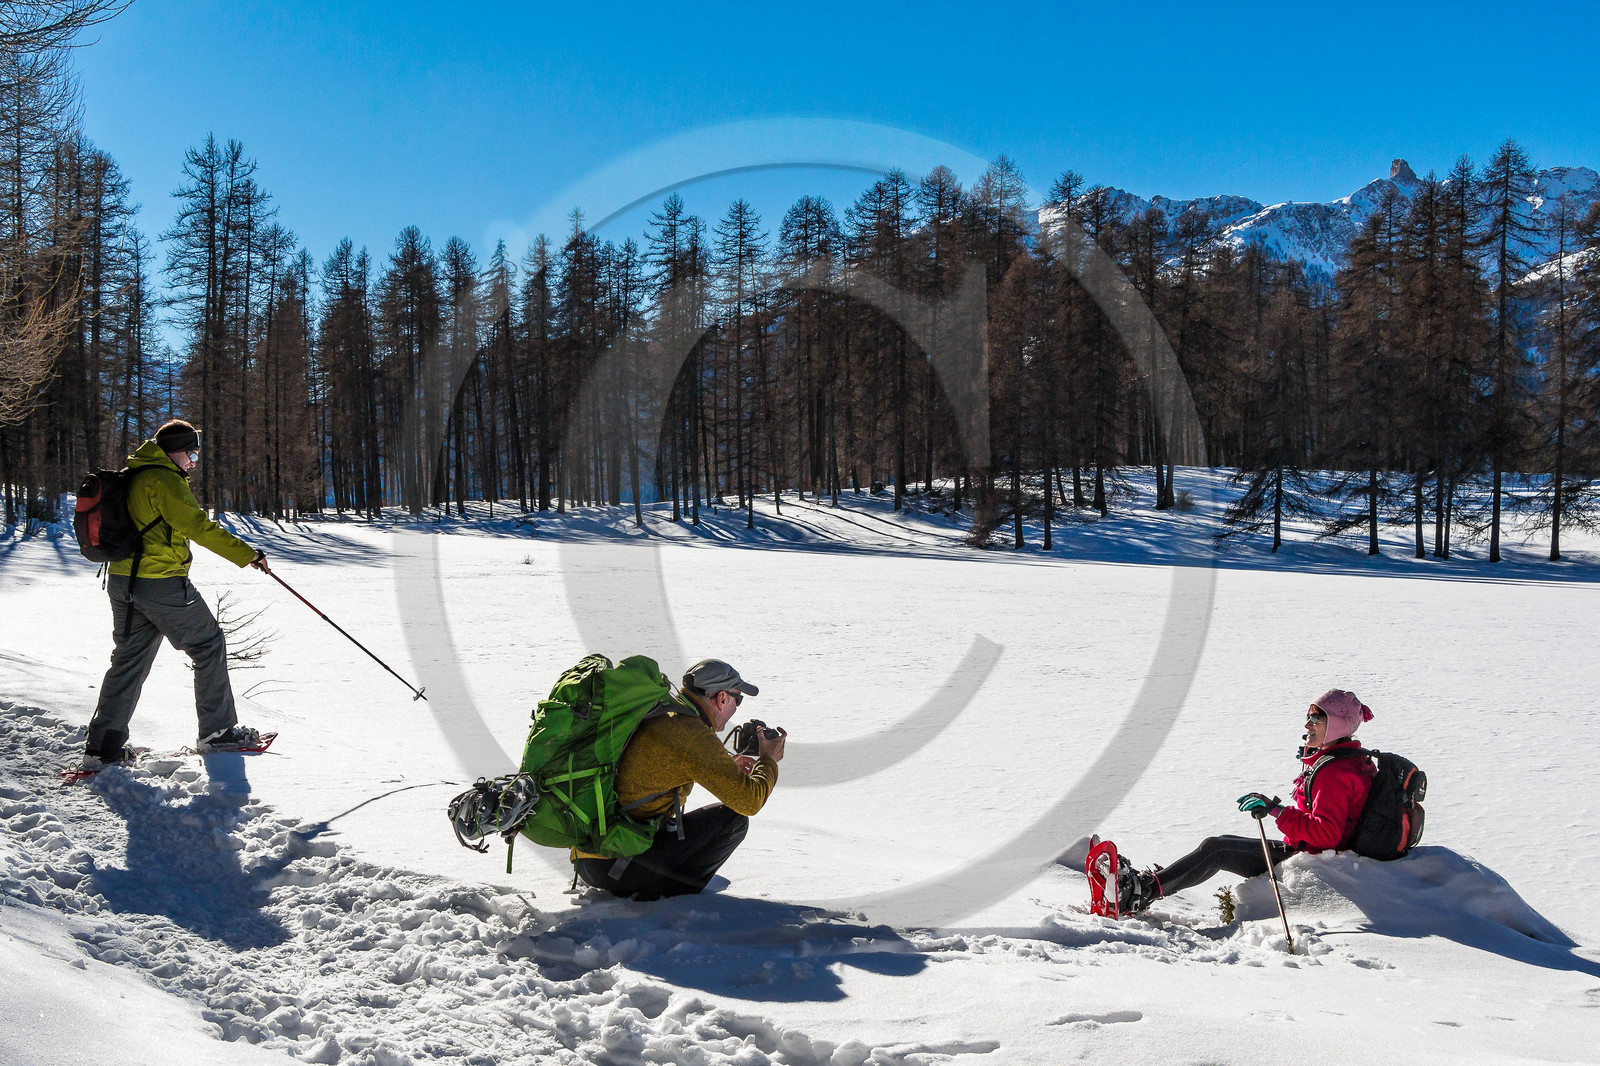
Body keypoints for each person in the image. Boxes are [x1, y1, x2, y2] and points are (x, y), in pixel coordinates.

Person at [83, 419, 272, 768]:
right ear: (175, 452)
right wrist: (248, 554)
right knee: (208, 644)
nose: (192, 463)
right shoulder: (164, 479)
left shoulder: (134, 474)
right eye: (192, 455)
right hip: (160, 581)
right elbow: (196, 525)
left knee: (127, 662)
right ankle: (218, 733)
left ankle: (102, 747)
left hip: (123, 581)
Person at [1109, 688, 1378, 916]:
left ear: (1337, 725)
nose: (1307, 724)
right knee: (1219, 844)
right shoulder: (1349, 760)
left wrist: (1276, 811)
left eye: (1317, 718)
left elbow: (1326, 834)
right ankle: (1145, 887)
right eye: (1308, 716)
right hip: (1317, 851)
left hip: (1316, 859)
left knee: (1217, 849)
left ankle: (1139, 893)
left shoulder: (1334, 771)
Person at [572, 658, 785, 901]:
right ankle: (672, 898)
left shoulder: (662, 712)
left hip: (592, 856)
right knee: (733, 820)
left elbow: (666, 767)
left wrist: (723, 768)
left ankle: (654, 881)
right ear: (722, 698)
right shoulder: (692, 734)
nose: (737, 707)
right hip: (617, 866)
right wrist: (768, 760)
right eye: (738, 699)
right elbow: (749, 802)